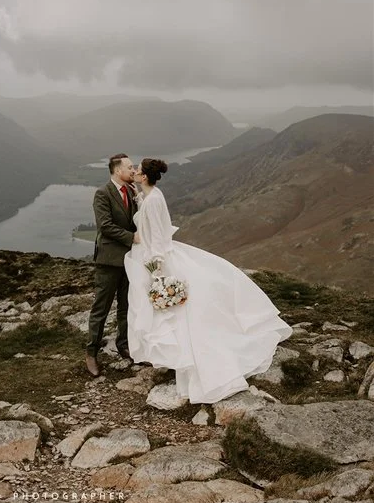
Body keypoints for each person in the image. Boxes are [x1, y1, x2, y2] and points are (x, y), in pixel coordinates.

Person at [125, 158, 293, 403]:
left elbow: (159, 234)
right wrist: (138, 196)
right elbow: (152, 214)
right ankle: (172, 356)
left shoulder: (152, 200)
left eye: (138, 171)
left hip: (157, 256)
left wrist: (157, 266)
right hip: (159, 251)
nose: (135, 174)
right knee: (176, 310)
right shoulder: (153, 195)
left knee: (177, 312)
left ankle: (183, 357)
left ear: (144, 177)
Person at [86, 153, 140, 377]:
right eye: (129, 167)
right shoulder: (102, 193)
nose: (133, 170)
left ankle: (123, 344)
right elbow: (105, 226)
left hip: (129, 260)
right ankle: (91, 353)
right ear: (118, 171)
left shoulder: (131, 191)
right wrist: (132, 238)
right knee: (102, 307)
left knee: (126, 305)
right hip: (108, 261)